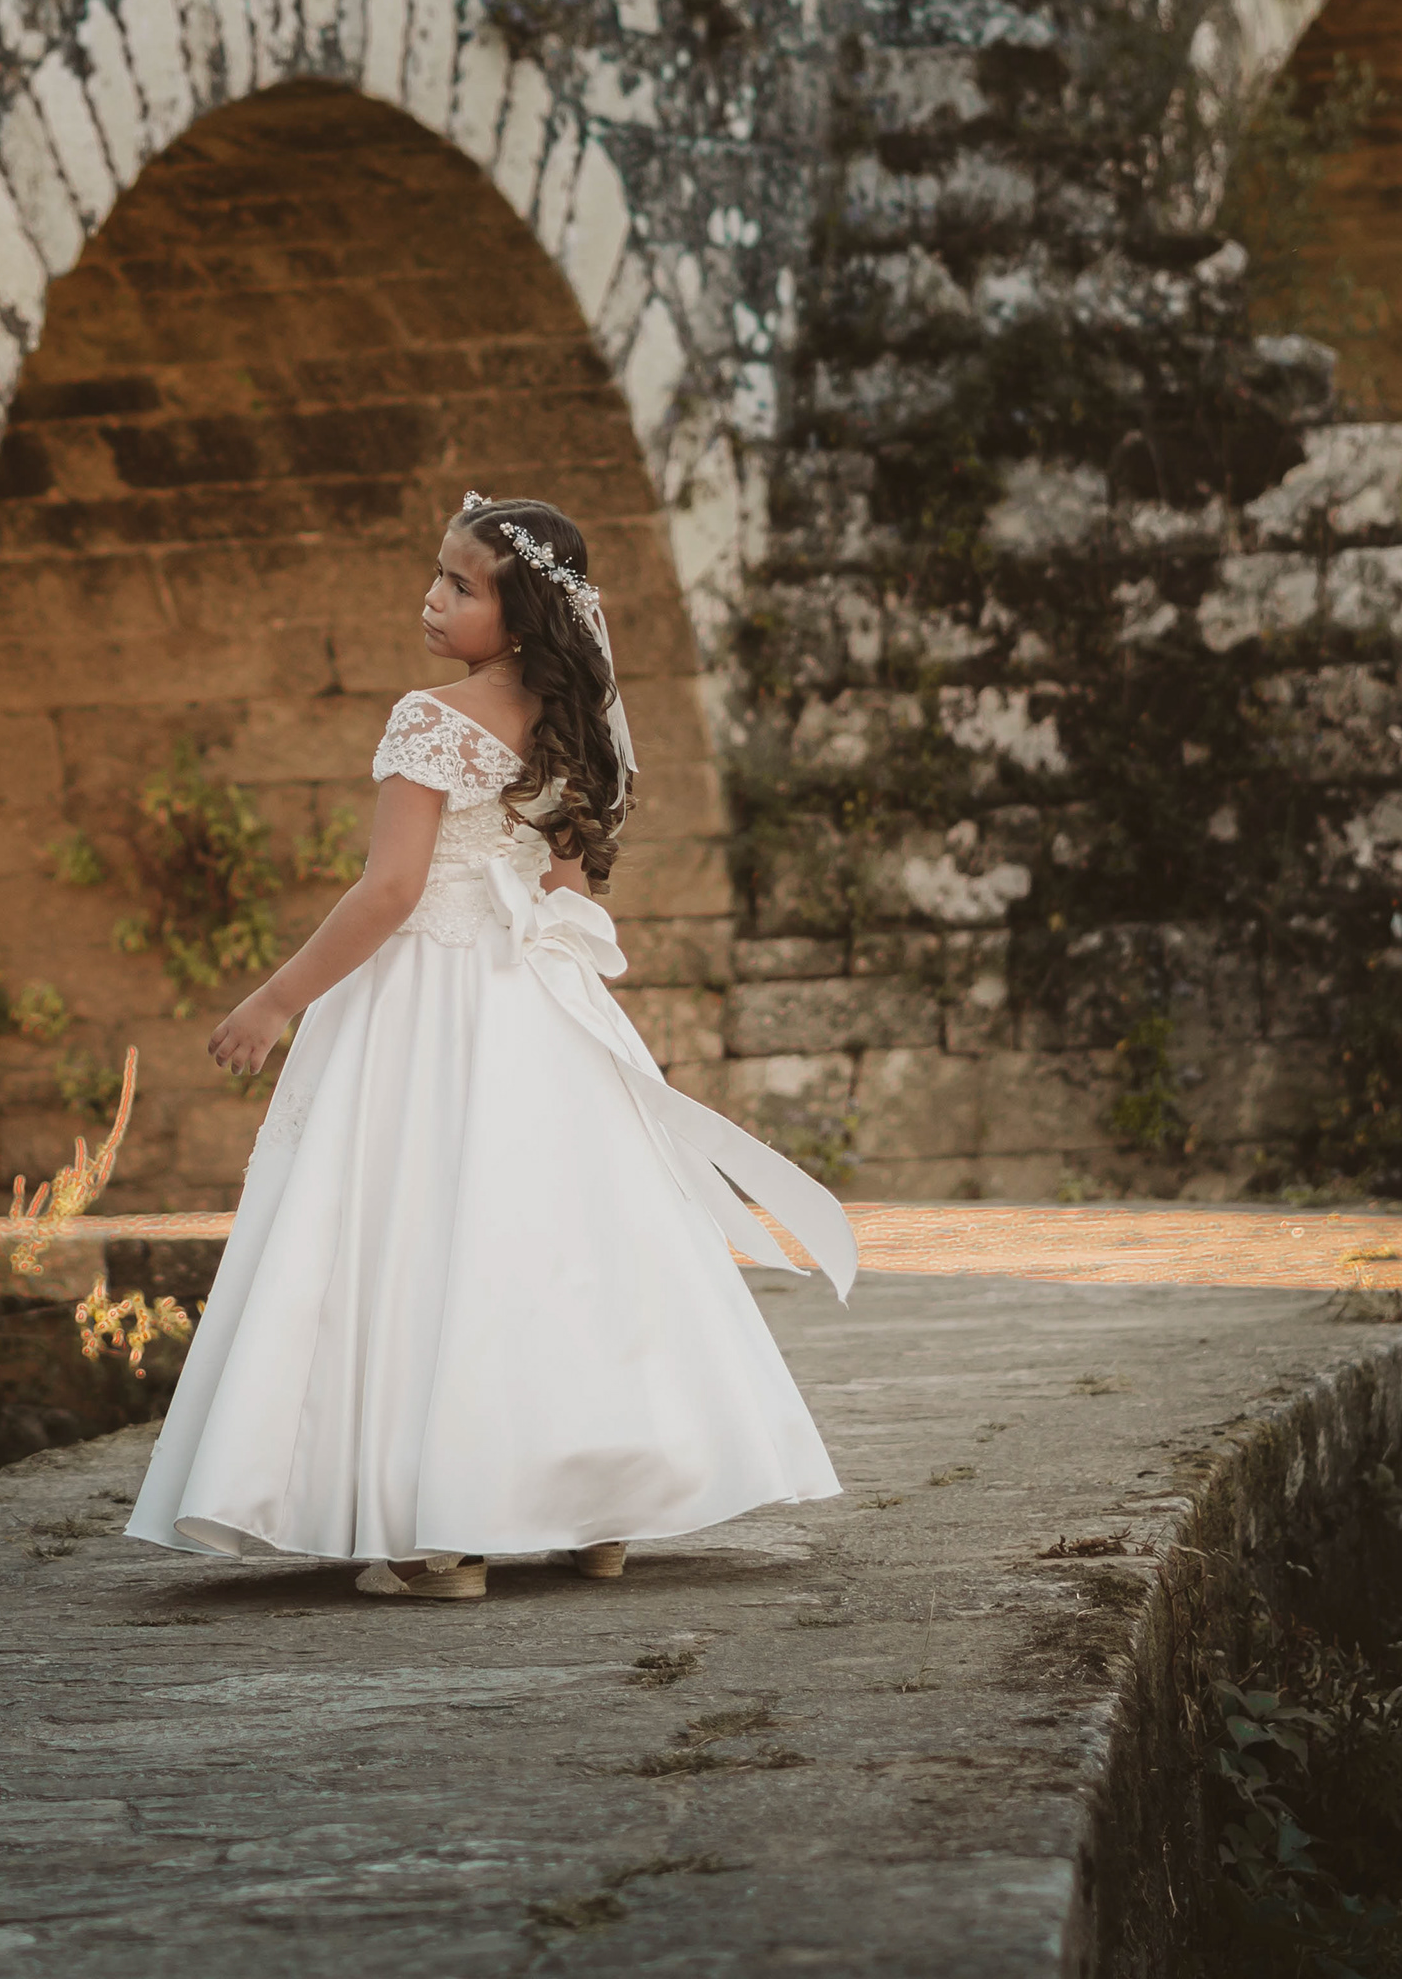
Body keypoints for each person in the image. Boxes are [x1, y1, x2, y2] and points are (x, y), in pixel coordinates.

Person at [124, 493, 856, 1600]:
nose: (432, 598)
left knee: (426, 1234)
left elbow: (391, 891)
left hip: (425, 1000)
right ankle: (599, 1517)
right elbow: (565, 888)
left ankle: (441, 1542)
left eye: (460, 585)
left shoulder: (432, 718)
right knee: (560, 1238)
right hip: (540, 1002)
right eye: (436, 574)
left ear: (521, 615)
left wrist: (275, 1002)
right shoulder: (574, 723)